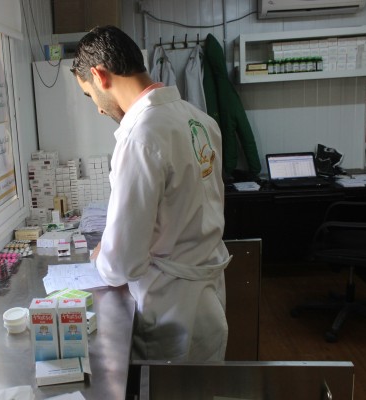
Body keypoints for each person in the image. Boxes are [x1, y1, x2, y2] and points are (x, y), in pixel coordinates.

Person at [71, 26, 232, 361]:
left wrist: (102, 255)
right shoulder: (200, 120)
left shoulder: (141, 136)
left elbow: (122, 263)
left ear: (100, 76)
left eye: (89, 96)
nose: (98, 109)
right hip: (209, 297)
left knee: (170, 386)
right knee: (206, 381)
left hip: (170, 306)